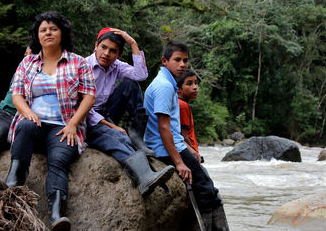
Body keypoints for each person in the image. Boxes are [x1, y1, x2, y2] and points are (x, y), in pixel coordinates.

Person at [5, 11, 96, 231]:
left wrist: (73, 123)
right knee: (24, 126)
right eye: (43, 30)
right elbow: (16, 95)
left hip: (63, 127)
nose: (48, 33)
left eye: (53, 29)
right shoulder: (27, 62)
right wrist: (27, 112)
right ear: (37, 35)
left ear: (62, 33)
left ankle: (56, 216)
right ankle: (12, 186)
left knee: (58, 161)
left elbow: (89, 96)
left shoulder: (78, 62)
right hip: (34, 124)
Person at [144, 41, 229, 230]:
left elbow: (172, 129)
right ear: (165, 61)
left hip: (173, 144)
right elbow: (164, 128)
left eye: (185, 60)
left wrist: (189, 149)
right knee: (206, 191)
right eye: (177, 60)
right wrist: (180, 162)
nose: (182, 64)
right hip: (164, 147)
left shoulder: (167, 83)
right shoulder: (164, 86)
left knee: (208, 187)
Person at [85, 27, 173, 196]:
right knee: (119, 137)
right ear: (96, 46)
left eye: (113, 51)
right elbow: (82, 106)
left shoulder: (116, 66)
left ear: (118, 55)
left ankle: (136, 134)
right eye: (103, 47)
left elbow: (140, 75)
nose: (106, 53)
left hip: (105, 111)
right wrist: (111, 126)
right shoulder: (83, 66)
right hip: (86, 117)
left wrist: (132, 43)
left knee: (131, 85)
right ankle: (144, 176)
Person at [177, 69, 200, 154]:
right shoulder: (182, 105)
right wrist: (194, 153)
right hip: (189, 151)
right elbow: (184, 136)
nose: (195, 87)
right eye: (189, 84)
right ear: (178, 89)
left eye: (196, 83)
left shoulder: (178, 103)